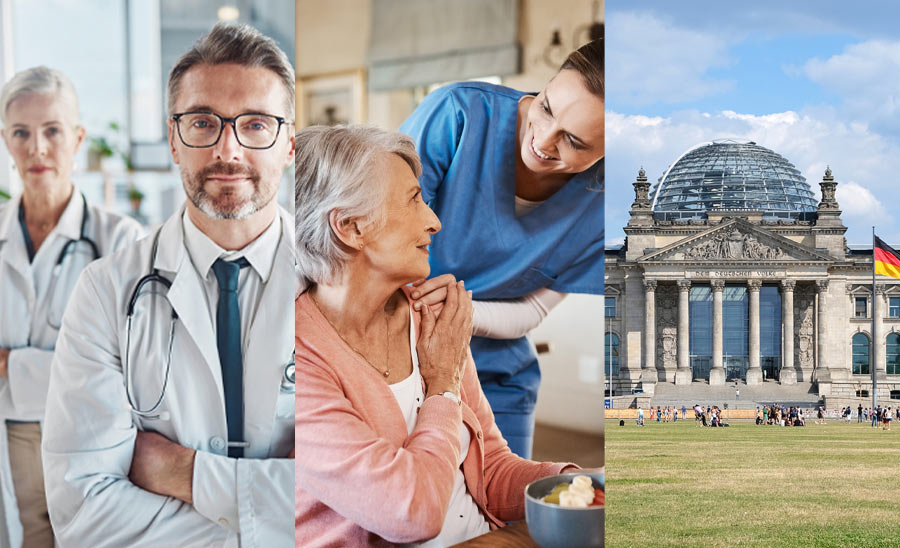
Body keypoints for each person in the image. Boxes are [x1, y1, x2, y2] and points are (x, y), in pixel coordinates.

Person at [41, 24, 295, 546]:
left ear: (289, 144)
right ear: (174, 140)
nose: (229, 150)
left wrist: (181, 474)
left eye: (255, 125)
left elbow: (356, 496)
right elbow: (85, 514)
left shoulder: (336, 282)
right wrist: (275, 515)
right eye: (203, 122)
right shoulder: (105, 292)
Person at [293, 125, 598, 547]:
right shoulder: (294, 362)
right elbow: (411, 513)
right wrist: (442, 386)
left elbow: (489, 469)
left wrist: (575, 483)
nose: (433, 222)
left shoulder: (431, 321)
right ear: (350, 227)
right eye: (414, 200)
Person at [400, 40, 604, 458]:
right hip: (395, 359)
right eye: (546, 107)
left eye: (574, 142)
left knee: (506, 514)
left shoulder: (608, 209)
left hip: (495, 378)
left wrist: (462, 313)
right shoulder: (458, 114)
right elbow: (379, 234)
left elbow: (532, 311)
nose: (543, 141)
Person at [0, 66, 143, 548]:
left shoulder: (121, 240)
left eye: (52, 131)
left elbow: (129, 363)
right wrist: (64, 363)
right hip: (14, 434)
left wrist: (12, 365)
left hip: (94, 436)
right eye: (21, 133)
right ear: (5, 141)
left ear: (78, 138)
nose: (36, 148)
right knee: (31, 539)